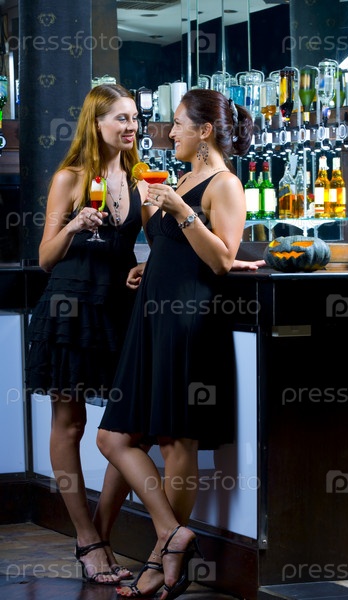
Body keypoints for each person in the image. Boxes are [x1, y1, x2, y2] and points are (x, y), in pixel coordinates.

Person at [96, 88, 255, 600]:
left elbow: (222, 260)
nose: (171, 132)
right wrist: (149, 264)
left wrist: (181, 211)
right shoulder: (180, 179)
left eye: (180, 123)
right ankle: (172, 534)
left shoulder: (225, 184)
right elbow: (178, 247)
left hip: (190, 319)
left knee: (175, 441)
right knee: (114, 437)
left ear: (205, 131)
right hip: (153, 317)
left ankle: (160, 561)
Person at [25, 83, 150, 585]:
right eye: (121, 118)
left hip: (119, 310)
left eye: (134, 117)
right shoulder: (70, 177)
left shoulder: (142, 180)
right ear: (96, 124)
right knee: (70, 424)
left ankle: (99, 535)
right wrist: (75, 224)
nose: (131, 126)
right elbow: (45, 257)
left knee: (129, 428)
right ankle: (86, 538)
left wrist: (146, 265)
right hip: (70, 307)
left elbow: (160, 241)